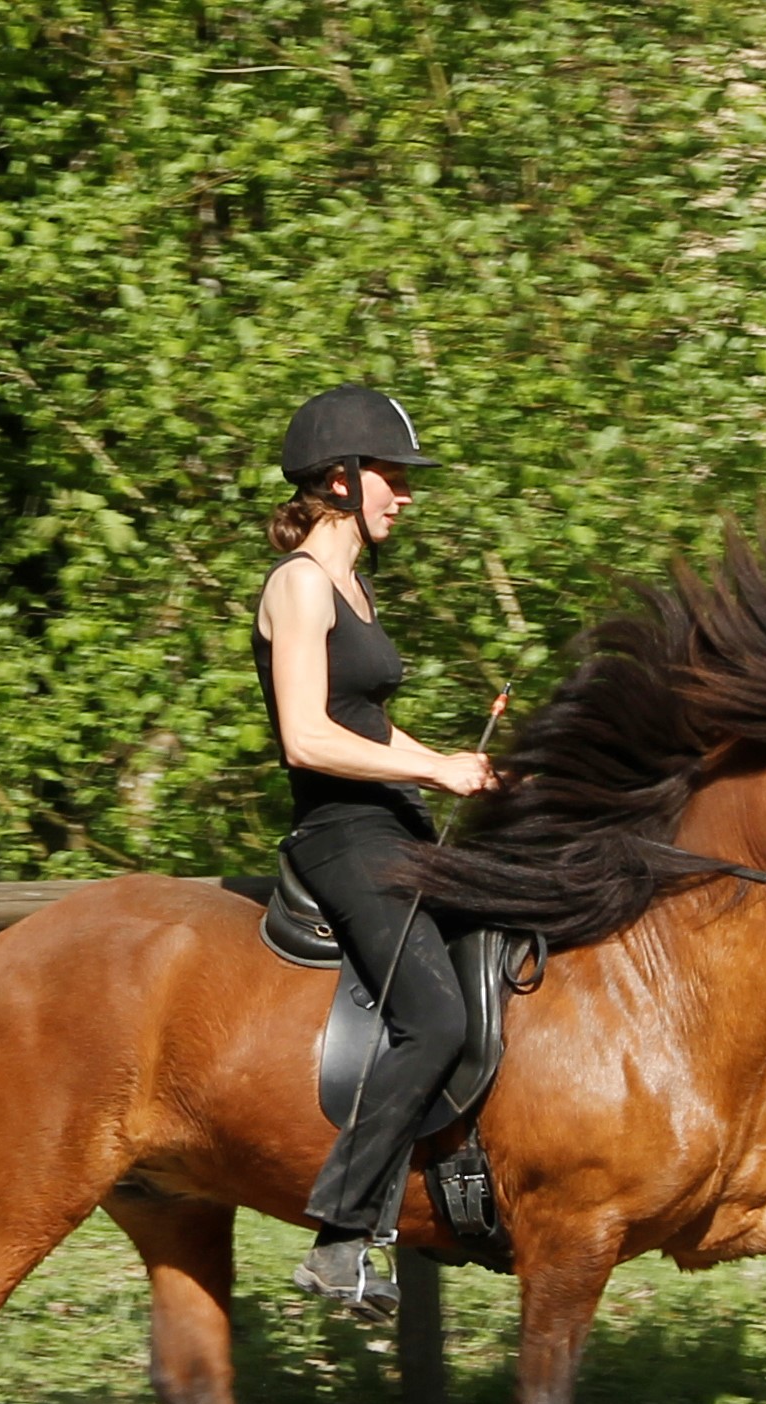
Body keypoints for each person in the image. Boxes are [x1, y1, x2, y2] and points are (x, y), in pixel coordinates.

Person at [254, 385, 498, 1317]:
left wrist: (454, 767)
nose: (404, 493)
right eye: (392, 476)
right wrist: (433, 774)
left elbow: (368, 724)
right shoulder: (302, 585)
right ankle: (342, 1235)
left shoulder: (354, 586)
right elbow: (308, 738)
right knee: (435, 1022)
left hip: (395, 819)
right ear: (340, 481)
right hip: (341, 833)